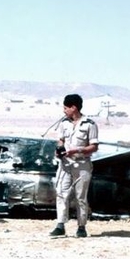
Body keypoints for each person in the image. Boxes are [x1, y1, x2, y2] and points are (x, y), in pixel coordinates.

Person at [49, 94, 99, 238]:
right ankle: (60, 225)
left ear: (73, 107)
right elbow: (60, 140)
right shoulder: (64, 123)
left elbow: (94, 147)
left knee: (80, 196)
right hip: (65, 164)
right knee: (61, 193)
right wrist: (59, 150)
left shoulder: (90, 124)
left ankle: (81, 227)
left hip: (82, 165)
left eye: (66, 108)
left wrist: (76, 150)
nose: (64, 111)